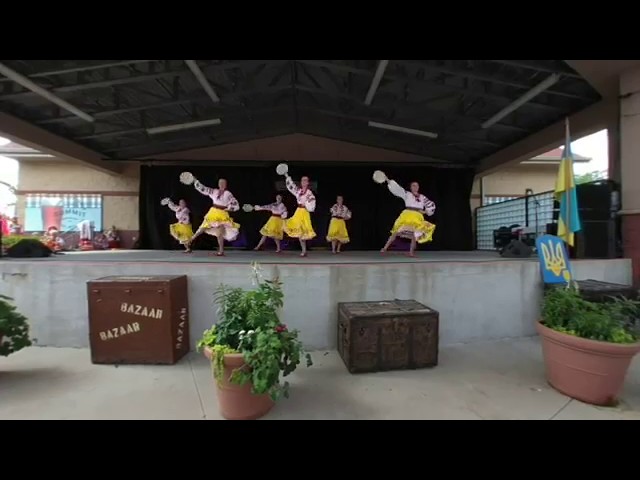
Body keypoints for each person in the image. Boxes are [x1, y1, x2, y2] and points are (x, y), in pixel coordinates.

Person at [379, 177, 436, 257]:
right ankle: (384, 248)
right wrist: (388, 181)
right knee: (396, 232)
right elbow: (397, 189)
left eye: (416, 186)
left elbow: (430, 206)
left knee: (414, 235)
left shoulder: (423, 197)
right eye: (413, 185)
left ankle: (411, 252)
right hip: (407, 216)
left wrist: (425, 212)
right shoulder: (407, 194)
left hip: (417, 217)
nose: (415, 187)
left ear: (418, 187)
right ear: (411, 187)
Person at [187, 177, 239, 256]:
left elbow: (235, 204)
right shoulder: (214, 191)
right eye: (220, 183)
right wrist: (195, 181)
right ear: (218, 184)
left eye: (223, 183)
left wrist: (229, 209)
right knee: (203, 228)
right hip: (213, 213)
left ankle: (221, 251)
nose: (221, 184)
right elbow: (204, 189)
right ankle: (191, 239)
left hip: (222, 214)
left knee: (220, 233)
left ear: (226, 185)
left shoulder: (228, 194)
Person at [281, 173, 316, 257]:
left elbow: (312, 205)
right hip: (298, 212)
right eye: (302, 180)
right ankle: (304, 250)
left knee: (303, 232)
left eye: (305, 180)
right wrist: (287, 177)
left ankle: (304, 250)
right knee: (299, 233)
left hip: (304, 212)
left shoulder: (309, 193)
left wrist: (307, 204)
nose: (303, 182)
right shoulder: (299, 191)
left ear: (307, 183)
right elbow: (291, 187)